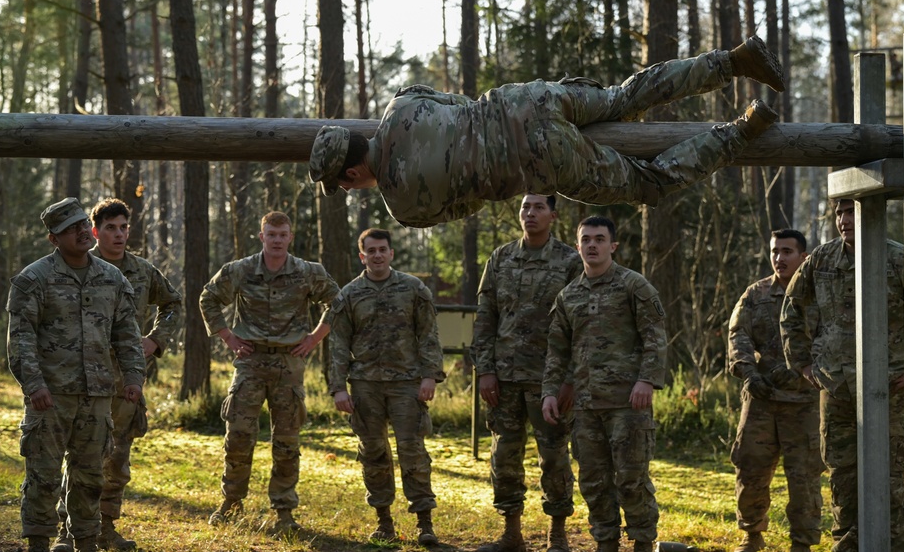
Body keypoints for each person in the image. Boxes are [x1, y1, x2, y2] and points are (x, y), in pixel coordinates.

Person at [308, 37, 785, 228]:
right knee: (624, 97)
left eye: (344, 184)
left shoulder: (404, 207)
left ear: (351, 171)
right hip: (526, 101)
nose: (349, 189)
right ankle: (733, 60)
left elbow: (472, 202)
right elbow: (457, 104)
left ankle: (743, 130)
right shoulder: (402, 104)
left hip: (535, 159)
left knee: (649, 183)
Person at [780, 199, 904, 552]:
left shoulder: (899, 258)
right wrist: (802, 362)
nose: (845, 220)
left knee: (892, 478)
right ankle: (849, 545)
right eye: (840, 213)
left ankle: (894, 545)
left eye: (853, 211)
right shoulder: (822, 258)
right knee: (843, 476)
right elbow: (791, 307)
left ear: (873, 212)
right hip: (837, 388)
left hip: (889, 387)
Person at [7, 198, 145, 552]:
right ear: (54, 239)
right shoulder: (33, 279)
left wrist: (133, 377)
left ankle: (86, 543)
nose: (83, 231)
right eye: (71, 228)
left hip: (97, 395)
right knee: (43, 476)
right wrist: (35, 386)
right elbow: (21, 339)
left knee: (90, 478)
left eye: (83, 223)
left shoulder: (111, 278)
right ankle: (38, 543)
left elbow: (127, 333)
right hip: (50, 398)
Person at [51, 198, 183, 552]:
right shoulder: (78, 267)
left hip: (124, 380)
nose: (119, 234)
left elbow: (174, 304)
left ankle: (105, 527)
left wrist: (156, 339)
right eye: (110, 227)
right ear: (95, 232)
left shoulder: (142, 271)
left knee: (117, 457)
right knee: (80, 456)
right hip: (82, 380)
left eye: (124, 227)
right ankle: (71, 530)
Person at [200, 211, 340, 534]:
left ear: (290, 237)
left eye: (282, 234)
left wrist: (315, 338)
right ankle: (231, 503)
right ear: (261, 236)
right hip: (249, 362)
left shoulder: (307, 273)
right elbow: (208, 297)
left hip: (289, 364)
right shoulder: (241, 270)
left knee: (287, 441)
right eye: (271, 234)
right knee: (238, 435)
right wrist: (227, 336)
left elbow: (339, 302)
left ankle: (284, 511)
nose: (277, 240)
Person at [542, 216, 669, 552]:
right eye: (586, 240)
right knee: (594, 482)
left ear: (613, 245)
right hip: (585, 407)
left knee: (631, 480)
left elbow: (655, 337)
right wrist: (549, 394)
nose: (592, 245)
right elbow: (557, 351)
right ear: (578, 245)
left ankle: (643, 542)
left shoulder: (633, 286)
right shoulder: (568, 296)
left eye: (599, 239)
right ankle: (606, 542)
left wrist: (646, 380)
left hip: (628, 404)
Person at [472, 194, 582, 552]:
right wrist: (485, 370)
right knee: (504, 456)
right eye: (525, 207)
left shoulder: (569, 261)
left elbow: (578, 325)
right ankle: (511, 533)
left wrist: (568, 380)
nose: (530, 213)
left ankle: (558, 533)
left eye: (538, 207)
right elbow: (485, 316)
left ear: (553, 214)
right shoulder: (501, 258)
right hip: (503, 378)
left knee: (553, 456)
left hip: (547, 380)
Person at [327, 228, 445, 546]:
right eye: (371, 251)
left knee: (413, 452)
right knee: (374, 454)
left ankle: (424, 522)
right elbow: (338, 344)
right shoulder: (348, 295)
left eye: (383, 250)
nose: (377, 255)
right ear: (362, 256)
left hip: (407, 383)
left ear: (391, 253)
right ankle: (384, 522)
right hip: (366, 385)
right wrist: (338, 388)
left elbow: (429, 335)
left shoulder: (413, 289)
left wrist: (430, 375)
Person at [727, 229, 823, 552]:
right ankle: (751, 534)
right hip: (761, 399)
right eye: (774, 251)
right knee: (750, 466)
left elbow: (831, 339)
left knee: (805, 476)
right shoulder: (755, 295)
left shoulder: (817, 294)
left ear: (803, 257)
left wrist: (809, 371)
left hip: (804, 402)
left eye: (787, 251)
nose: (779, 258)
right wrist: (749, 374)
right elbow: (737, 334)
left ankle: (802, 542)